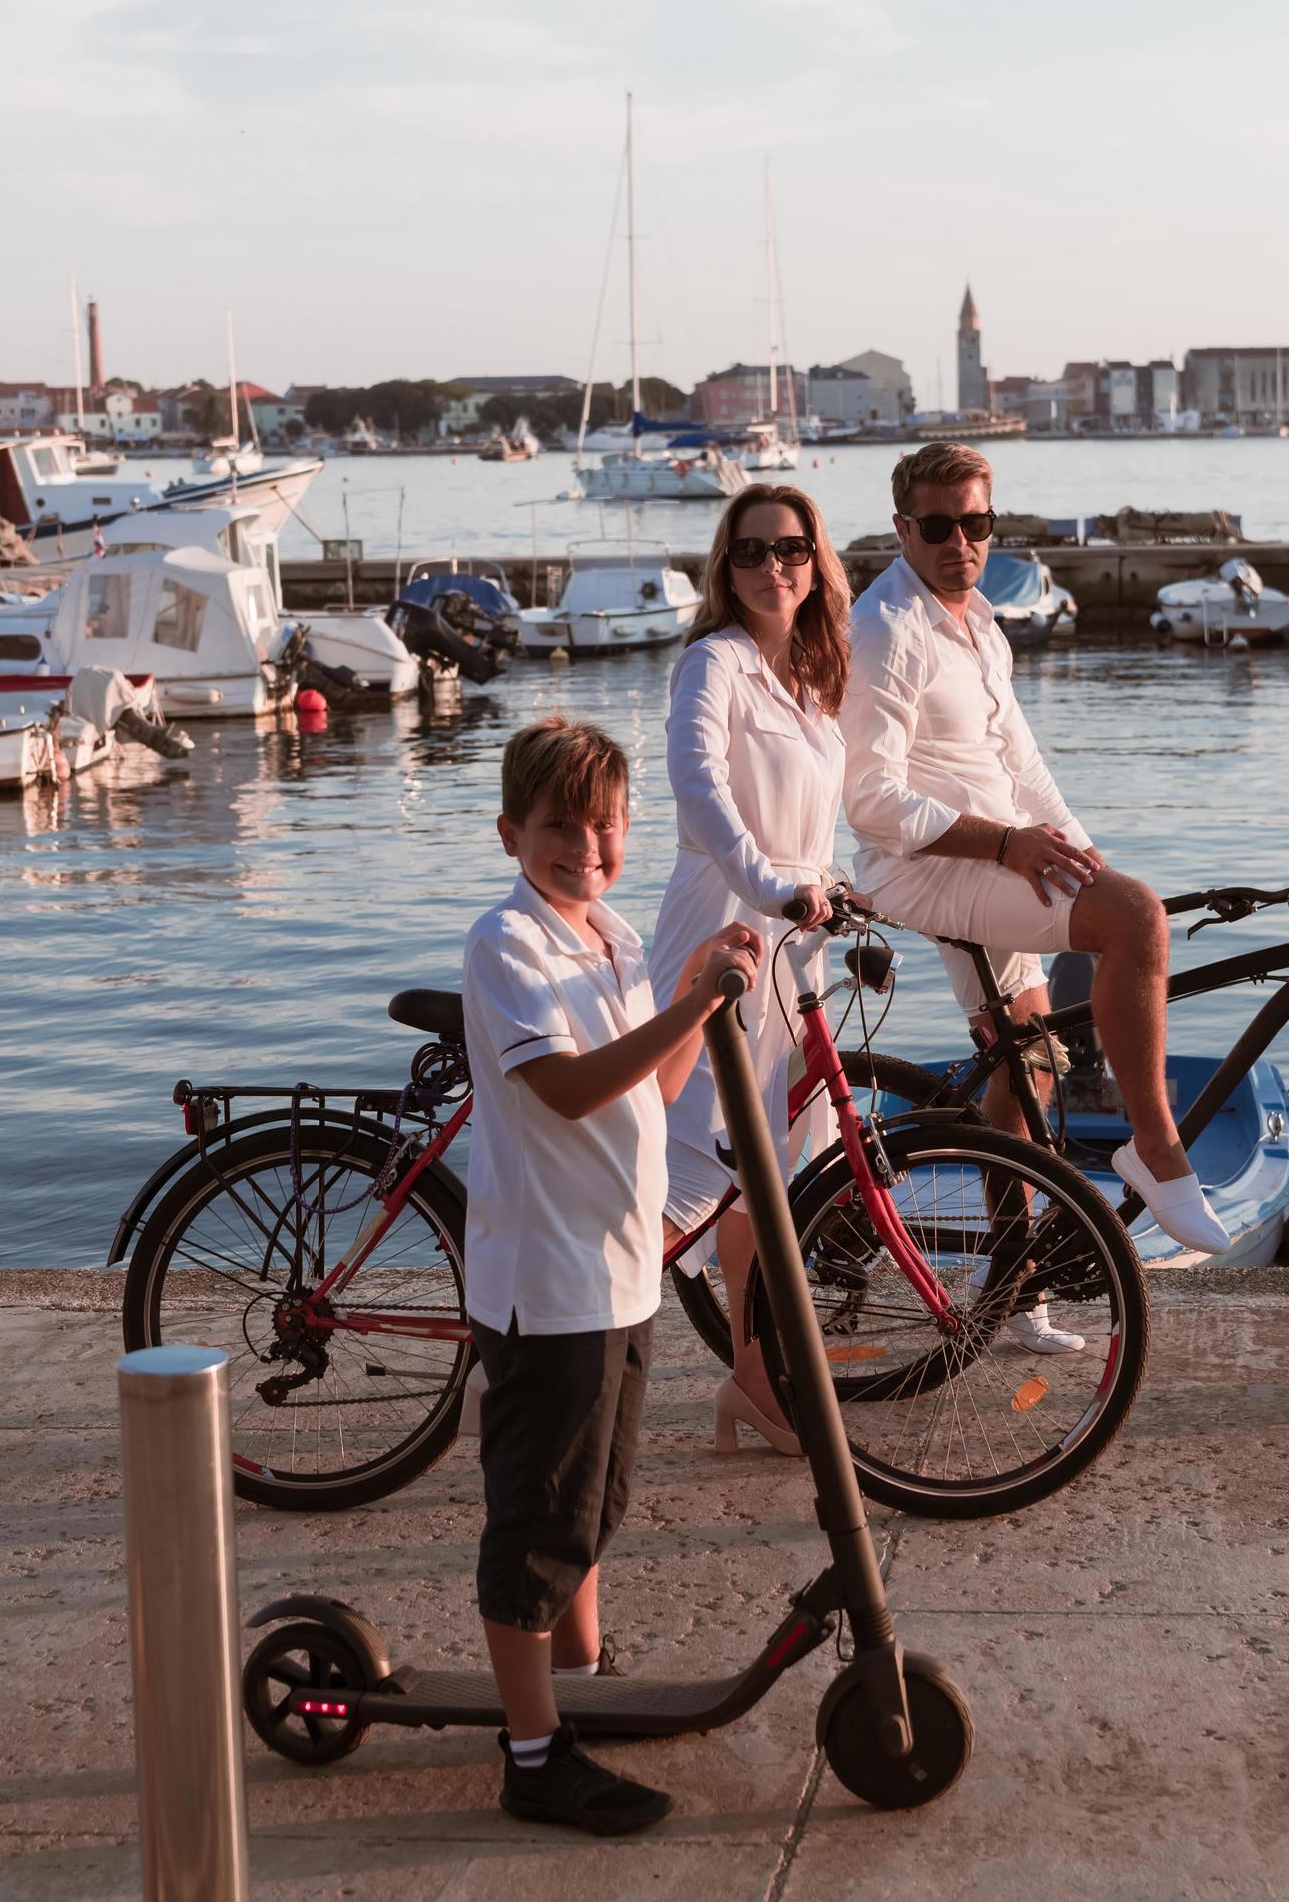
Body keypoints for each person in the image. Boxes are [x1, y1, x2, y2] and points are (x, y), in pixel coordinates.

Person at [458, 716, 759, 1834]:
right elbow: (573, 1090)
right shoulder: (508, 946)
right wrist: (690, 998)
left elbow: (656, 1083)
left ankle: (580, 1691)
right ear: (509, 833)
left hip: (624, 1272)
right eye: (555, 827)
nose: (582, 846)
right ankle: (533, 1755)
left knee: (594, 1502)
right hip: (549, 1281)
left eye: (602, 825)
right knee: (537, 1520)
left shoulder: (617, 939)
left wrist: (697, 985)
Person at [841, 441, 1232, 1267]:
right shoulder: (884, 631)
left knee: (1032, 1065)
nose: (960, 543)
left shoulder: (979, 621)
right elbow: (870, 802)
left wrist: (1084, 853)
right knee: (1138, 922)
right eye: (939, 526)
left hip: (1002, 856)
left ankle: (1018, 1285)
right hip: (928, 868)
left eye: (977, 523)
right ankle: (1156, 1152)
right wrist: (1010, 845)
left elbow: (1021, 764)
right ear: (903, 529)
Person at [649, 483, 852, 1455]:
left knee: (761, 1189)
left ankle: (757, 1381)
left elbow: (807, 823)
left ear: (816, 563)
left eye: (794, 548)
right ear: (724, 570)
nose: (776, 564)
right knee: (680, 1186)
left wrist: (834, 884)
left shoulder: (810, 684)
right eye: (754, 550)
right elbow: (700, 786)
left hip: (792, 949)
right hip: (721, 937)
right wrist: (771, 882)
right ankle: (512, 1367)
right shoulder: (713, 663)